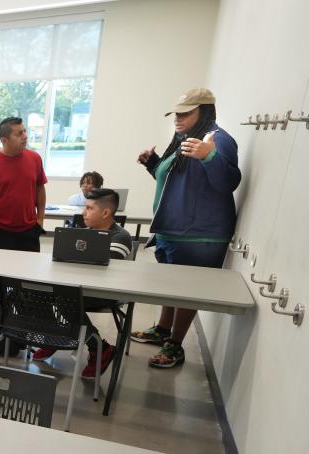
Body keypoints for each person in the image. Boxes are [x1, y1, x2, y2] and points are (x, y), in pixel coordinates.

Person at [129, 88, 240, 368]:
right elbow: (173, 179)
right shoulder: (182, 139)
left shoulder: (218, 140)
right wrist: (153, 164)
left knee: (188, 290)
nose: (178, 119)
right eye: (176, 114)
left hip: (198, 234)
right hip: (172, 229)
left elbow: (228, 182)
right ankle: (163, 330)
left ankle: (175, 346)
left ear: (205, 111)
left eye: (186, 113)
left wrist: (209, 156)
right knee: (171, 286)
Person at [32, 188, 132, 379]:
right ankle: (56, 334)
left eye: (89, 208)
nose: (83, 213)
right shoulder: (85, 233)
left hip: (106, 291)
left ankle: (98, 348)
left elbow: (102, 269)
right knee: (33, 291)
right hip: (80, 286)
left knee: (65, 298)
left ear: (105, 212)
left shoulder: (120, 236)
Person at [0, 117, 48, 252]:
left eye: (25, 131)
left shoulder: (35, 159)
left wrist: (40, 220)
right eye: (19, 133)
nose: (25, 136)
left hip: (30, 230)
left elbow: (40, 188)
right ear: (4, 140)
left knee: (29, 271)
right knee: (0, 271)